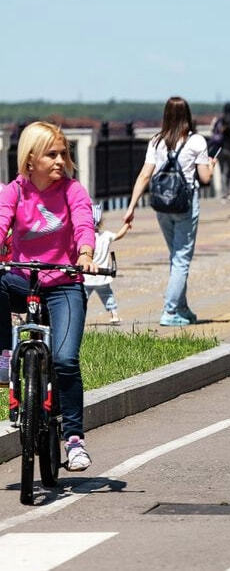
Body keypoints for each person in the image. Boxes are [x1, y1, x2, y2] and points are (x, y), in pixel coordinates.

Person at [0, 121, 100, 471]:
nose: (60, 160)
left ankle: (74, 440)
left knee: (65, 361)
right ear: (30, 159)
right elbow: (0, 222)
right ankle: (3, 356)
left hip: (64, 285)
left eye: (64, 153)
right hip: (22, 283)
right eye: (52, 154)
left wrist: (85, 254)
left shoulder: (72, 191)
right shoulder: (14, 191)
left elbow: (85, 223)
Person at [125, 96, 214, 327]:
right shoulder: (196, 142)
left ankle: (182, 308)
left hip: (161, 205)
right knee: (182, 258)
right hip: (185, 203)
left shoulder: (156, 141)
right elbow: (204, 178)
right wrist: (211, 167)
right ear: (188, 115)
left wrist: (132, 206)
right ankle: (170, 311)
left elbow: (145, 175)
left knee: (176, 256)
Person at [84, 205, 130, 325]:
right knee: (108, 296)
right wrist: (126, 225)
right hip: (102, 277)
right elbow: (119, 235)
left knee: (82, 299)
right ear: (100, 221)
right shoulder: (105, 235)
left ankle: (79, 317)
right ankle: (114, 315)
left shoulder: (84, 238)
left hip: (87, 277)